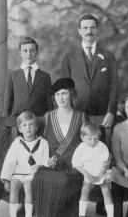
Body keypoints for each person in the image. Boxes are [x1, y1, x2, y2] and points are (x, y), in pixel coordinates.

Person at [32, 78, 87, 217]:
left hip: (73, 166)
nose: (61, 97)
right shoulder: (47, 117)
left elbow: (87, 145)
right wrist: (46, 160)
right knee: (41, 177)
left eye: (64, 93)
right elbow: (41, 143)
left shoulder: (81, 117)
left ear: (71, 94)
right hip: (51, 164)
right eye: (57, 94)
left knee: (64, 180)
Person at [61, 14, 119, 129]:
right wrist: (68, 112)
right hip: (76, 115)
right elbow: (65, 88)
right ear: (79, 31)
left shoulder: (108, 56)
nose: (89, 31)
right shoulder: (69, 57)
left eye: (92, 27)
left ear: (97, 30)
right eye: (85, 28)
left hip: (103, 116)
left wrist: (111, 112)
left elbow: (114, 86)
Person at [0, 111, 49, 217]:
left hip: (32, 173)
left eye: (31, 124)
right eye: (24, 125)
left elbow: (45, 161)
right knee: (13, 187)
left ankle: (28, 215)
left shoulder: (43, 143)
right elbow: (10, 161)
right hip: (17, 173)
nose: (28, 128)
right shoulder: (17, 142)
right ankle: (12, 215)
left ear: (36, 127)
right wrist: (6, 180)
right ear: (20, 129)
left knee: (28, 187)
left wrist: (46, 164)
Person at [3, 37, 53, 118]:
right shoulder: (13, 76)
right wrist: (6, 126)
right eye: (25, 51)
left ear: (37, 52)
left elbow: (49, 102)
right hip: (18, 121)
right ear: (20, 53)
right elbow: (8, 102)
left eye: (32, 50)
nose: (29, 54)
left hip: (40, 121)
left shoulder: (45, 76)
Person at [72, 121, 114, 217]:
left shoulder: (102, 147)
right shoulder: (81, 148)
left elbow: (105, 163)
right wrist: (87, 175)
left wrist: (99, 176)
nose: (93, 142)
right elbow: (76, 164)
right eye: (90, 139)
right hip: (88, 173)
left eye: (96, 139)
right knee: (85, 189)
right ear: (82, 137)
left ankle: (110, 214)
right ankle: (81, 213)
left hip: (101, 173)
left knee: (106, 190)